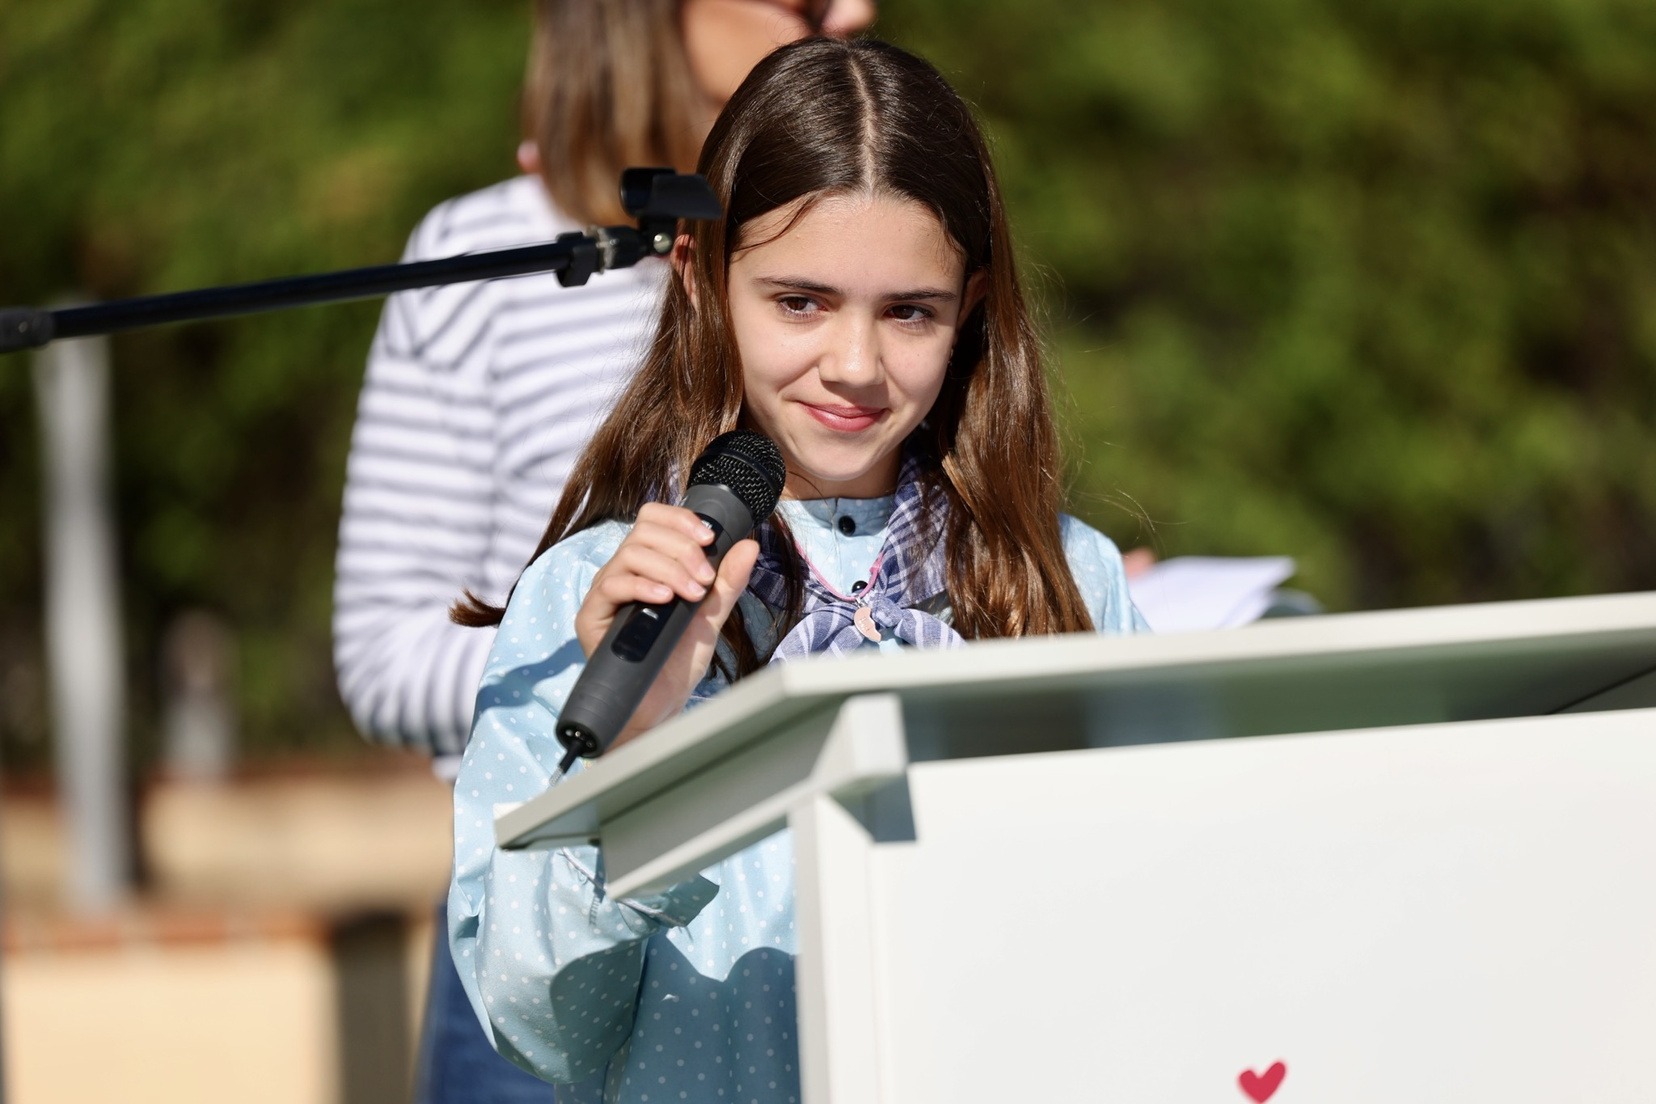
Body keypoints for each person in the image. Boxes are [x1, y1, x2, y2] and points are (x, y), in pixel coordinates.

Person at [446, 37, 1147, 1103]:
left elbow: (1131, 946)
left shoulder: (1065, 582)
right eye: (801, 302)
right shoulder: (597, 599)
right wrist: (638, 767)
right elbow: (543, 1027)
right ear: (700, 277)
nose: (855, 365)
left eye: (909, 311)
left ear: (969, 308)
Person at [331, 3, 874, 1102]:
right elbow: (383, 654)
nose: (853, 11)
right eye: (806, 2)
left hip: (821, 924)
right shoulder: (482, 256)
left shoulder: (872, 233)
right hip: (557, 912)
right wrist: (628, 669)